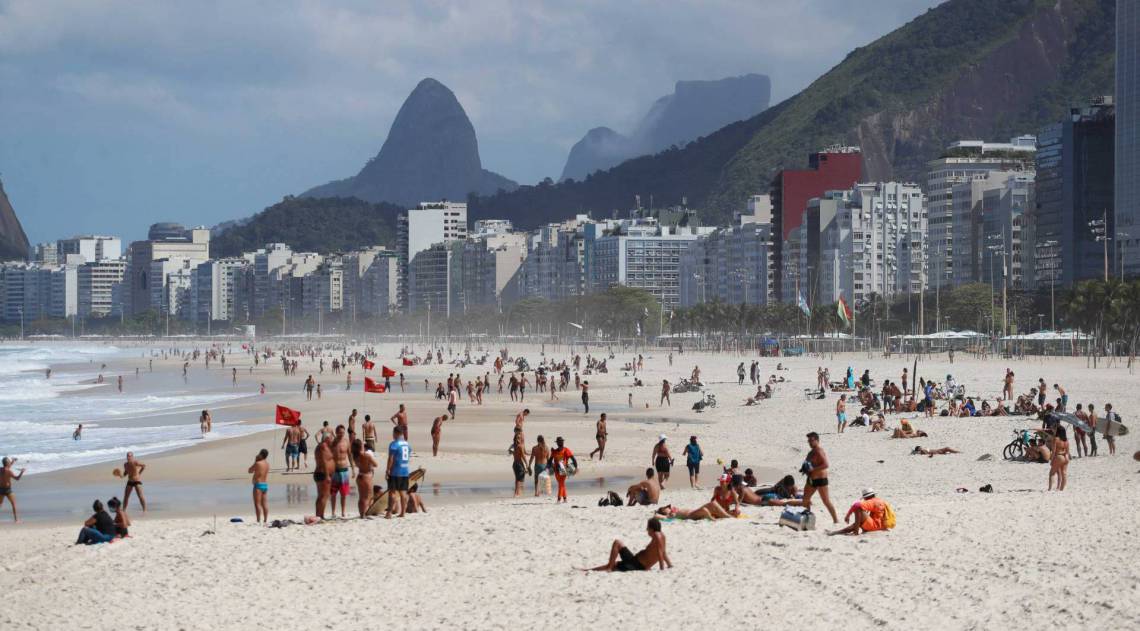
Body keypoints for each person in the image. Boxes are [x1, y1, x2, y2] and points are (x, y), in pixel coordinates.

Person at [579, 518, 672, 572]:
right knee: (616, 555)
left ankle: (604, 568)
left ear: (651, 529)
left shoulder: (657, 535)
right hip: (635, 561)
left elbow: (660, 553)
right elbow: (663, 553)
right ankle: (591, 569)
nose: (647, 530)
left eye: (647, 528)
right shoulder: (662, 536)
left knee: (617, 543)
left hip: (636, 565)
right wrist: (669, 565)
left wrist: (661, 569)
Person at [801, 432, 838, 523]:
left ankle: (836, 520)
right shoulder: (811, 452)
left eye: (811, 440)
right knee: (805, 500)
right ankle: (808, 519)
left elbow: (826, 464)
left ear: (817, 440)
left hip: (821, 479)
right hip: (811, 479)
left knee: (826, 501)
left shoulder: (819, 450)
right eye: (808, 441)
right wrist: (804, 469)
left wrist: (812, 469)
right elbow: (809, 464)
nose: (810, 442)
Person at [385, 426, 412, 518]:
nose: (393, 435)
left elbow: (391, 458)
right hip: (405, 471)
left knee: (392, 492)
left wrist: (388, 469)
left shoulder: (394, 444)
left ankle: (389, 513)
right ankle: (403, 513)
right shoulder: (407, 444)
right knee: (403, 492)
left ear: (396, 433)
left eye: (393, 433)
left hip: (395, 471)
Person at [329, 425, 352, 518]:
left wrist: (353, 468)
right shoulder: (332, 442)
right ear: (336, 432)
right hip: (334, 471)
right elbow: (328, 457)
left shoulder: (346, 441)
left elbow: (350, 455)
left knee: (343, 494)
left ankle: (343, 512)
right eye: (340, 432)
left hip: (344, 470)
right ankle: (333, 513)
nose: (341, 434)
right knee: (333, 493)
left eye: (343, 432)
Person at [352, 439, 379, 518]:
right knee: (368, 497)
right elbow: (376, 464)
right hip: (367, 476)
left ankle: (362, 514)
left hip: (360, 475)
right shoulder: (366, 455)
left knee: (361, 497)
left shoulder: (355, 455)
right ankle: (365, 513)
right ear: (361, 446)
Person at [550, 437, 578, 503]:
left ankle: (559, 499)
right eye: (559, 442)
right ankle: (565, 499)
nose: (560, 443)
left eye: (561, 441)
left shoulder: (566, 450)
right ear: (557, 443)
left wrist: (575, 468)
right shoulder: (555, 451)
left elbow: (573, 459)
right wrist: (549, 467)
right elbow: (549, 460)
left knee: (561, 484)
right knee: (561, 484)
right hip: (556, 470)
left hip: (563, 470)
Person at [313, 435, 333, 519]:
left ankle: (318, 515)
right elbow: (324, 460)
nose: (332, 440)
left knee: (321, 496)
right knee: (324, 496)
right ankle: (321, 515)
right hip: (323, 473)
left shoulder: (322, 446)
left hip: (320, 472)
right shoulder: (323, 446)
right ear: (326, 439)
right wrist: (327, 475)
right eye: (331, 438)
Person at [1, 457, 26, 522]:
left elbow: (7, 467)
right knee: (13, 504)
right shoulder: (9, 471)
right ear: (7, 463)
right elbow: (17, 478)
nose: (10, 463)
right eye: (9, 462)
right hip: (8, 490)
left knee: (0, 504)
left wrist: (13, 461)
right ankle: (16, 520)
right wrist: (22, 472)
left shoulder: (1, 469)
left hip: (0, 490)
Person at [248, 448, 270, 524]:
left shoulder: (258, 463)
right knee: (264, 503)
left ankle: (258, 520)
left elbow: (250, 471)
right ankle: (265, 520)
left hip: (258, 485)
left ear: (261, 454)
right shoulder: (267, 464)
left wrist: (255, 461)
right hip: (265, 485)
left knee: (257, 504)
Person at [1049, 426, 1070, 491]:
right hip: (1066, 457)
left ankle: (1050, 489)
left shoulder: (1056, 439)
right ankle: (1061, 489)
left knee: (1052, 473)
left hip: (1059, 456)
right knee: (1064, 473)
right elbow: (1067, 451)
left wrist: (1052, 460)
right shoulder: (1066, 440)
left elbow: (1054, 451)